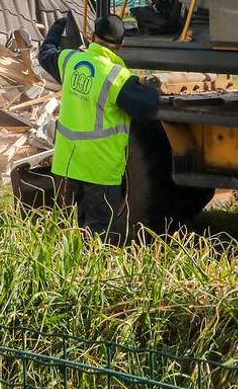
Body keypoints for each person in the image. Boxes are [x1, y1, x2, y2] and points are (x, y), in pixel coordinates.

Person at [36, 12, 159, 240]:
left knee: (68, 228)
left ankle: (69, 260)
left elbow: (45, 54)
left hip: (68, 165)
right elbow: (148, 108)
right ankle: (87, 261)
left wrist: (57, 28)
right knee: (97, 233)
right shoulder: (117, 77)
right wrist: (151, 87)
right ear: (120, 46)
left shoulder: (70, 61)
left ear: (92, 36)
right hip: (99, 170)